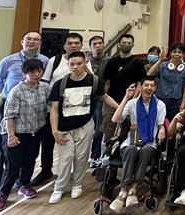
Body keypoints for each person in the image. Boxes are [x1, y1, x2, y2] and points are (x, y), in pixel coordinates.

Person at [48, 52, 120, 203]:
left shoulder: (93, 81)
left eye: (79, 64)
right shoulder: (59, 84)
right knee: (66, 158)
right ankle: (59, 188)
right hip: (64, 127)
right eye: (72, 64)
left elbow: (105, 97)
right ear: (68, 65)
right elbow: (54, 109)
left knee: (81, 158)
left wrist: (121, 109)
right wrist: (54, 130)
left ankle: (77, 184)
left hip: (85, 125)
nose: (75, 67)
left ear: (84, 64)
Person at [0, 31, 48, 199]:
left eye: (36, 39)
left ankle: (22, 182)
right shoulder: (8, 61)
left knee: (29, 147)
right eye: (28, 38)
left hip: (33, 107)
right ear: (22, 41)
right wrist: (8, 97)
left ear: (40, 43)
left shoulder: (44, 60)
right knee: (1, 146)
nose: (32, 42)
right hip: (9, 104)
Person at [35, 32, 92, 186]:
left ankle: (73, 176)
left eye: (76, 43)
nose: (73, 45)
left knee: (73, 148)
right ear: (64, 46)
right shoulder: (55, 61)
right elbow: (45, 82)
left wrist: (86, 65)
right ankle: (46, 169)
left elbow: (92, 81)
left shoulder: (85, 62)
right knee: (48, 141)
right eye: (70, 43)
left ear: (81, 45)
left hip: (76, 111)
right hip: (54, 109)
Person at [109, 78, 166, 213]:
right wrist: (126, 97)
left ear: (155, 89)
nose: (149, 88)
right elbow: (115, 119)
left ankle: (133, 189)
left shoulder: (160, 105)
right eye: (146, 85)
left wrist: (162, 129)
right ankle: (123, 191)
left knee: (147, 150)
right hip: (131, 141)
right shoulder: (132, 103)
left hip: (149, 142)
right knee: (131, 149)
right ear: (140, 87)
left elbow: (160, 124)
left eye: (152, 86)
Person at [147, 42, 185, 160]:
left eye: (179, 52)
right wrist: (160, 61)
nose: (176, 54)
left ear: (183, 54)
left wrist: (183, 104)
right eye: (174, 52)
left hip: (176, 102)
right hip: (161, 101)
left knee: (172, 130)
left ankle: (170, 157)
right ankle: (156, 156)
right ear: (170, 53)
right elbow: (150, 74)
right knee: (158, 127)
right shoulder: (163, 66)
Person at [102, 34, 146, 142]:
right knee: (108, 130)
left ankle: (123, 151)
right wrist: (105, 100)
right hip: (111, 101)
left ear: (133, 45)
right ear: (118, 44)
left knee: (127, 130)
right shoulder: (112, 62)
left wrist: (133, 99)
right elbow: (107, 83)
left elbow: (139, 84)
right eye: (124, 43)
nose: (126, 45)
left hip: (129, 102)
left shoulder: (137, 63)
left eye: (129, 43)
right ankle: (107, 151)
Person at [89, 35, 111, 168]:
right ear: (90, 46)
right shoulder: (86, 60)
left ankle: (95, 156)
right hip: (85, 98)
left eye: (100, 43)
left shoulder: (109, 61)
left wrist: (104, 97)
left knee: (98, 129)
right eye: (94, 44)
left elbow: (108, 81)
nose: (97, 46)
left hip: (100, 98)